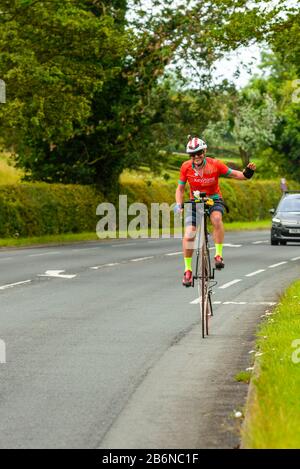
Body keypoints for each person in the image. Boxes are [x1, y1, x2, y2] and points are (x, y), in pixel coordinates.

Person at [174, 136, 256, 287]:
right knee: (189, 233)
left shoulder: (215, 164)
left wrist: (247, 174)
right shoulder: (186, 167)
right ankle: (188, 271)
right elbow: (180, 189)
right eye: (192, 155)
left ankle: (218, 255)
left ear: (204, 151)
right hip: (195, 201)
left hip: (214, 199)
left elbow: (235, 174)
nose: (196, 157)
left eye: (198, 153)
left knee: (217, 219)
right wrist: (179, 204)